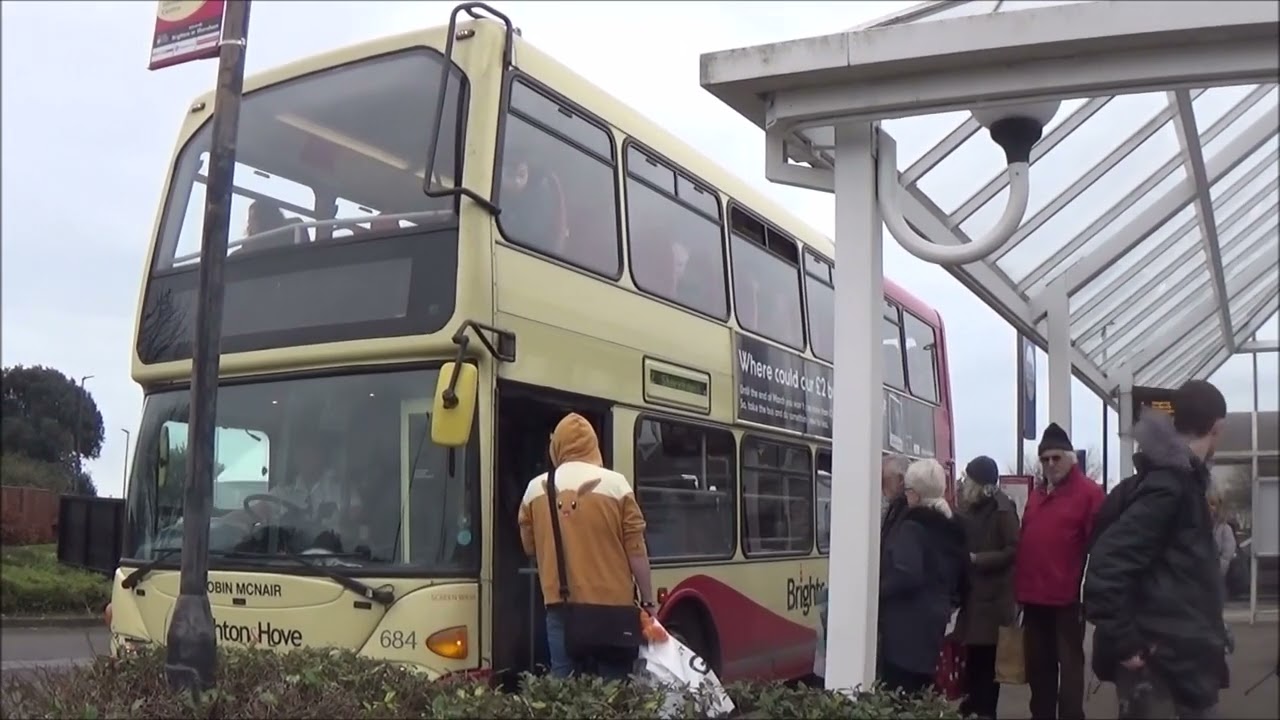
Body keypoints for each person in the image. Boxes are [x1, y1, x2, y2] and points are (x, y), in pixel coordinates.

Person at [1084, 380, 1230, 719]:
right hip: (1163, 664)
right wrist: (1126, 642)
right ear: (1217, 427)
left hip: (1177, 658)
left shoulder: (1173, 482)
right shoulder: (1170, 486)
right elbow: (1107, 565)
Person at [518, 412, 653, 680]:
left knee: (563, 684)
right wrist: (649, 602)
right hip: (614, 611)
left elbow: (530, 547)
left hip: (561, 607)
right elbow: (636, 551)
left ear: (556, 446)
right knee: (614, 686)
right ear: (593, 444)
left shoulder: (535, 490)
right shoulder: (617, 485)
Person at [1014, 422, 1104, 720]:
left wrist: (1090, 594)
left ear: (1070, 458)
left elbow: (1099, 545)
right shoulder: (1038, 495)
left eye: (1056, 458)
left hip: (1067, 599)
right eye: (1045, 459)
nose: (1050, 464)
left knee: (1070, 667)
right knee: (1039, 667)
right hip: (1033, 597)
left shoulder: (1089, 494)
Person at [878, 458, 967, 695]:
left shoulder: (912, 527)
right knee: (921, 693)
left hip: (906, 628)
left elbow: (906, 573)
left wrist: (876, 592)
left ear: (916, 494)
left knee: (899, 694)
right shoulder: (951, 525)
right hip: (934, 623)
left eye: (908, 489)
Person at [955, 455, 1020, 719]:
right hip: (974, 599)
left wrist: (978, 559)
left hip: (993, 603)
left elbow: (1013, 549)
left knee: (986, 666)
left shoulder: (1003, 510)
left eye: (968, 479)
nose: (963, 483)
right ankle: (974, 708)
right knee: (973, 664)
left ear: (980, 484)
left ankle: (985, 712)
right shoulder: (970, 508)